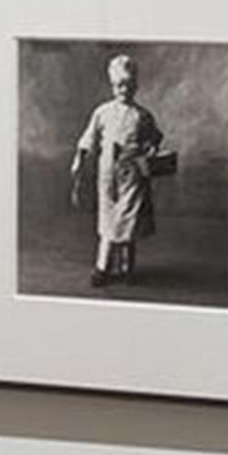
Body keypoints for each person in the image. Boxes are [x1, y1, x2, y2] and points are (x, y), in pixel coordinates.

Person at [67, 54, 168, 288]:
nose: (123, 89)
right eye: (118, 85)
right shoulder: (102, 112)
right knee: (109, 223)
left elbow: (155, 138)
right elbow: (88, 139)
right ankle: (102, 268)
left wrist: (151, 149)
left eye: (128, 84)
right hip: (108, 175)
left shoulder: (142, 116)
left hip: (132, 176)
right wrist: (79, 160)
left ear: (136, 85)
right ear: (112, 85)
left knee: (128, 224)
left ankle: (127, 268)